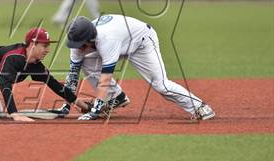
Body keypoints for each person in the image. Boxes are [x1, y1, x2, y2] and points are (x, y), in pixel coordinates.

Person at [60, 14, 216, 121]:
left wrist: (95, 110)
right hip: (121, 39)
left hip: (142, 42)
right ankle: (116, 98)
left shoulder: (107, 39)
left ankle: (200, 107)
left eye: (80, 45)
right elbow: (73, 74)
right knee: (85, 63)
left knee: (161, 85)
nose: (77, 48)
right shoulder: (77, 42)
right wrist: (67, 105)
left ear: (90, 38)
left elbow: (105, 78)